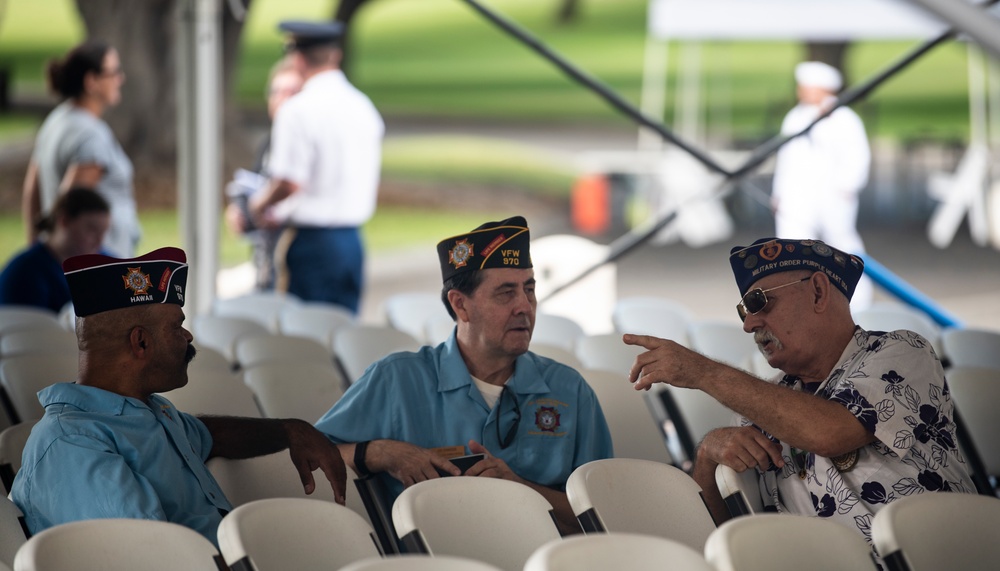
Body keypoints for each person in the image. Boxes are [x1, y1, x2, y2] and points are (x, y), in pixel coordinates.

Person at [625, 237, 974, 550]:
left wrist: (702, 371)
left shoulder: (900, 351)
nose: (749, 323)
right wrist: (707, 456)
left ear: (818, 292)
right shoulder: (758, 408)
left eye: (759, 302)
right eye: (745, 310)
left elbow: (829, 433)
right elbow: (719, 534)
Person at [11, 247, 347, 547]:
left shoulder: (148, 412)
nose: (187, 336)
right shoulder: (73, 443)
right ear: (140, 342)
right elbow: (154, 555)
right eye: (177, 326)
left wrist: (290, 431)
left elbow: (206, 435)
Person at [315, 216, 613, 534]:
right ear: (460, 306)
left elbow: (605, 510)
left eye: (529, 290)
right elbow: (310, 459)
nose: (525, 306)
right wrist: (382, 452)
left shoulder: (570, 391)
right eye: (506, 293)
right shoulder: (398, 381)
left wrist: (520, 489)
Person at [249, 20, 384, 313]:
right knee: (344, 336)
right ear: (334, 55)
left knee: (304, 343)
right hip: (352, 240)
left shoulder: (298, 110)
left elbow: (288, 182)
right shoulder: (363, 106)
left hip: (312, 242)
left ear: (296, 58)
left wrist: (259, 205)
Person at [22, 40, 141, 258]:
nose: (120, 79)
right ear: (91, 81)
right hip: (97, 267)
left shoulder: (56, 120)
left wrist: (35, 248)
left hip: (76, 263)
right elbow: (70, 205)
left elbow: (32, 192)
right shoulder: (89, 136)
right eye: (114, 72)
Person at [771, 61, 873, 309]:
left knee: (842, 246)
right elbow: (786, 158)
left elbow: (857, 156)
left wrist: (847, 186)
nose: (801, 91)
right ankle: (795, 300)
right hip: (798, 193)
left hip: (832, 194)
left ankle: (857, 300)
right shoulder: (796, 116)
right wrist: (779, 192)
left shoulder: (844, 118)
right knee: (792, 248)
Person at [225, 56, 304, 291]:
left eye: (292, 91)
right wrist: (239, 211)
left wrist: (265, 206)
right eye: (276, 91)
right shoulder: (269, 142)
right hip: (265, 259)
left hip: (293, 260)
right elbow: (256, 183)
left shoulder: (306, 143)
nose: (282, 99)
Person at [0, 188, 110, 312]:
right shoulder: (24, 274)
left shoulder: (107, 265)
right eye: (92, 229)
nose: (99, 241)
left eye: (103, 232)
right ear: (64, 220)